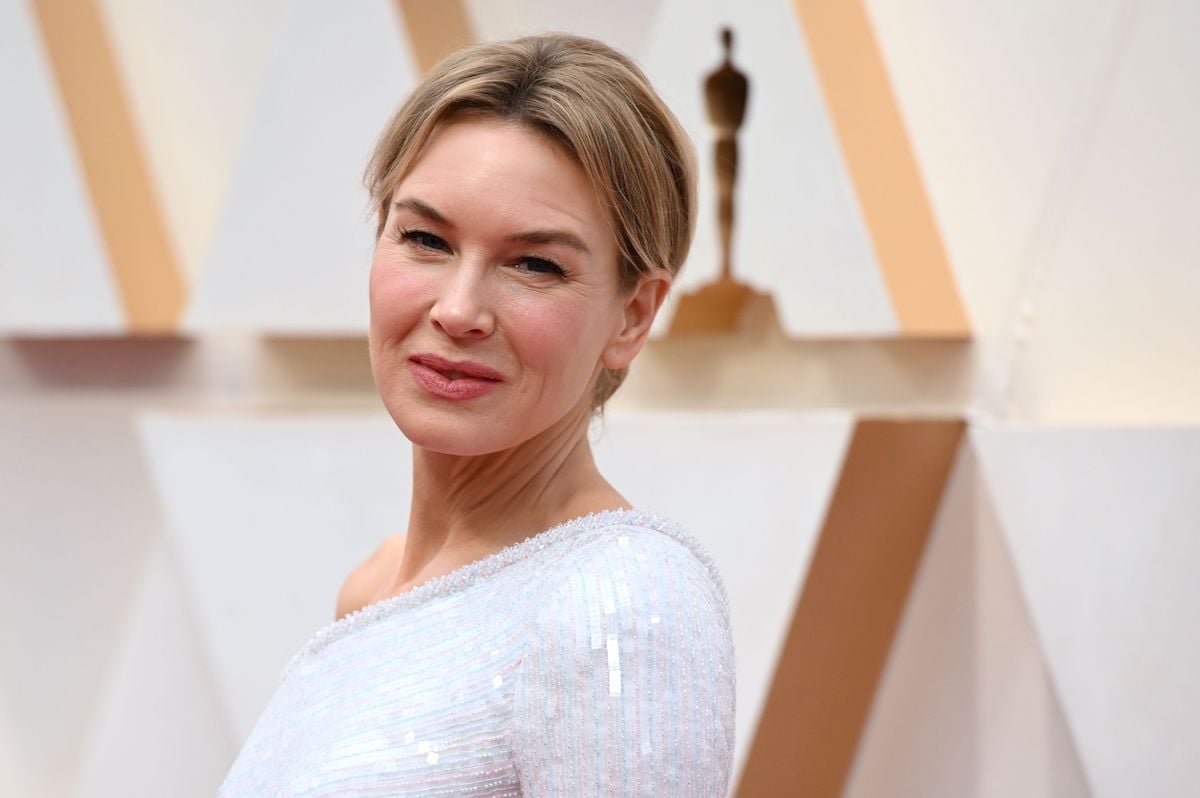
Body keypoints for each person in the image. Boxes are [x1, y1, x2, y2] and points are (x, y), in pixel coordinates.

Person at [220, 33, 735, 797]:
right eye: (425, 239)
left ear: (632, 314)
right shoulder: (374, 588)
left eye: (534, 264)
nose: (459, 311)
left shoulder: (621, 601)